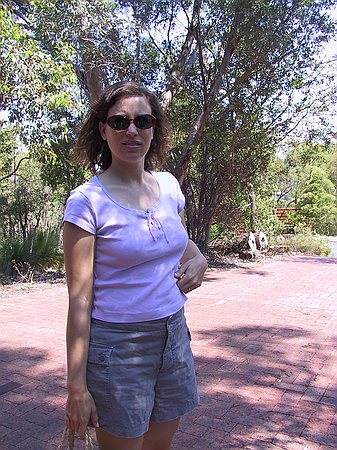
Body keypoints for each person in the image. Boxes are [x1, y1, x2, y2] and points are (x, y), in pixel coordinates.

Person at [63, 81, 208, 450]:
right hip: (119, 348)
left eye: (143, 121)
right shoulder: (86, 201)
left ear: (154, 129)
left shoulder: (169, 185)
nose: (132, 130)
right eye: (119, 121)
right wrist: (76, 388)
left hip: (174, 337)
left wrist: (200, 259)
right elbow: (79, 300)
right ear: (103, 129)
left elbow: (174, 240)